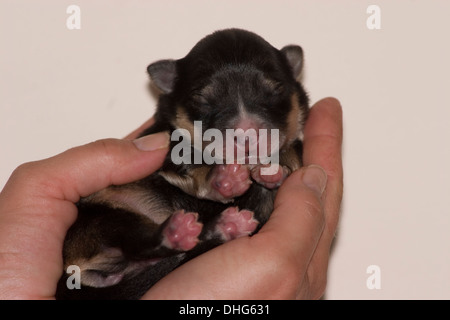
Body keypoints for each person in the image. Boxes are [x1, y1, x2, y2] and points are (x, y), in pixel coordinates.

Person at [0, 98, 343, 299]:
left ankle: (194, 237)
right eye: (211, 103)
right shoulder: (181, 145)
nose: (243, 128)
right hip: (103, 258)